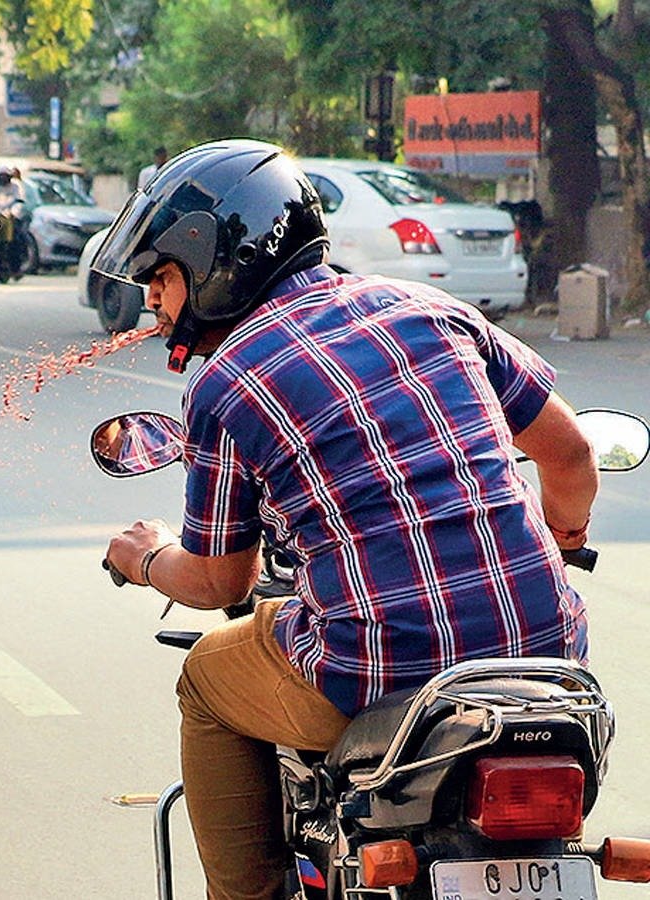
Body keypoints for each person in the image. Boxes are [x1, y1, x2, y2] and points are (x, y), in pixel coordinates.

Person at [92, 139, 598, 899]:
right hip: (550, 662)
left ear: (217, 260)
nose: (155, 304)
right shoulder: (434, 310)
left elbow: (215, 578)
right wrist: (562, 544)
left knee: (203, 679)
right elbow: (570, 455)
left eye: (162, 278)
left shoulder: (229, 383)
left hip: (375, 673)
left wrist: (145, 555)